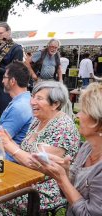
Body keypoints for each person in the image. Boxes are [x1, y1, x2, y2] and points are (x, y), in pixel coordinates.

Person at [0, 81, 80, 215]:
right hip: (24, 177)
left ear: (55, 104)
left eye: (39, 98)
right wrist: (6, 139)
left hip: (46, 188)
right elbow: (25, 151)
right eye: (33, 97)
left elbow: (38, 163)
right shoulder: (38, 120)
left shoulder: (63, 127)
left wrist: (7, 144)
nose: (32, 102)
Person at [33, 83, 102, 216]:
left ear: (98, 121)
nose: (78, 116)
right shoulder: (88, 147)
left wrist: (62, 179)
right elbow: (70, 193)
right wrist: (65, 172)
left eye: (83, 111)